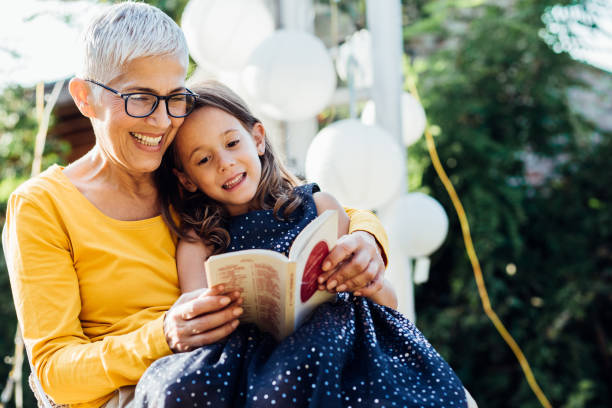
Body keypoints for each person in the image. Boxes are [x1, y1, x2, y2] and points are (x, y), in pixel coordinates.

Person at [2, 3, 391, 407]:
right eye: (140, 98)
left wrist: (366, 239)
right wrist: (163, 335)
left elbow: (298, 203)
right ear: (85, 97)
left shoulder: (195, 173)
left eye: (175, 97)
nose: (161, 121)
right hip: (145, 393)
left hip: (239, 375)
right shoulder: (42, 205)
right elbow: (54, 374)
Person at [131, 81, 469, 408]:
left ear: (258, 138)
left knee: (312, 359)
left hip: (332, 342)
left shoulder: (320, 207)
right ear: (186, 179)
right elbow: (198, 325)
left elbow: (387, 305)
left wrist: (369, 280)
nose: (225, 163)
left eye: (232, 143)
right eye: (203, 160)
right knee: (177, 389)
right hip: (249, 356)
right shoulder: (198, 242)